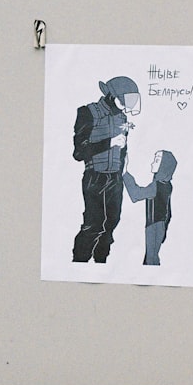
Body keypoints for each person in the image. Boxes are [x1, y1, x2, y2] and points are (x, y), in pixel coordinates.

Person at [72, 76, 141, 263]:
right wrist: (109, 143)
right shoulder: (88, 112)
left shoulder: (122, 117)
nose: (127, 107)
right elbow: (79, 152)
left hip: (115, 179)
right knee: (93, 225)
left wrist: (123, 166)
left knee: (111, 223)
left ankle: (101, 263)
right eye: (125, 100)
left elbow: (123, 149)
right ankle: (79, 263)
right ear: (112, 96)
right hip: (95, 177)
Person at [123, 150, 178, 265]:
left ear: (164, 165)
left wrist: (125, 173)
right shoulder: (167, 184)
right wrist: (165, 228)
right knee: (152, 257)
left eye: (156, 160)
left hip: (153, 226)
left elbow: (136, 194)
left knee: (151, 259)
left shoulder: (156, 186)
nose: (152, 163)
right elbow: (169, 212)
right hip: (160, 225)